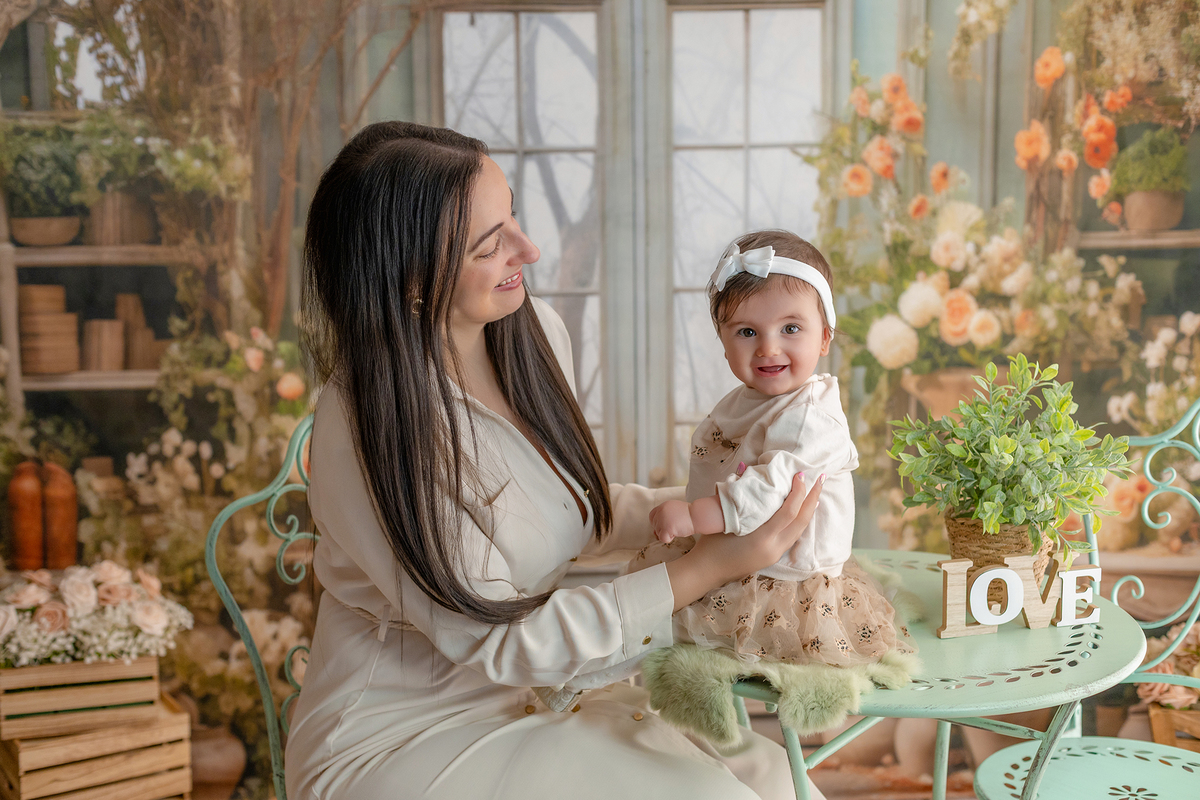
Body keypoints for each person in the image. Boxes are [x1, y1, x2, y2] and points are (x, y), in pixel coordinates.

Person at [284, 122, 825, 800]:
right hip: (405, 737)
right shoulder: (371, 430)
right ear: (412, 280)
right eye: (492, 244)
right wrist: (712, 564)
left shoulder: (527, 333)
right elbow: (506, 643)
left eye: (512, 215)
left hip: (543, 692)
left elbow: (565, 512)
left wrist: (701, 517)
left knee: (775, 778)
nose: (529, 249)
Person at [641, 230, 914, 667]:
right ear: (723, 342)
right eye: (747, 331)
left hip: (787, 580)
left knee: (680, 629)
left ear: (824, 338)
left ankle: (586, 671)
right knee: (648, 612)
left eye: (791, 328)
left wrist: (694, 516)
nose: (769, 347)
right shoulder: (743, 401)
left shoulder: (811, 415)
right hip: (736, 549)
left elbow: (769, 489)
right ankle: (584, 673)